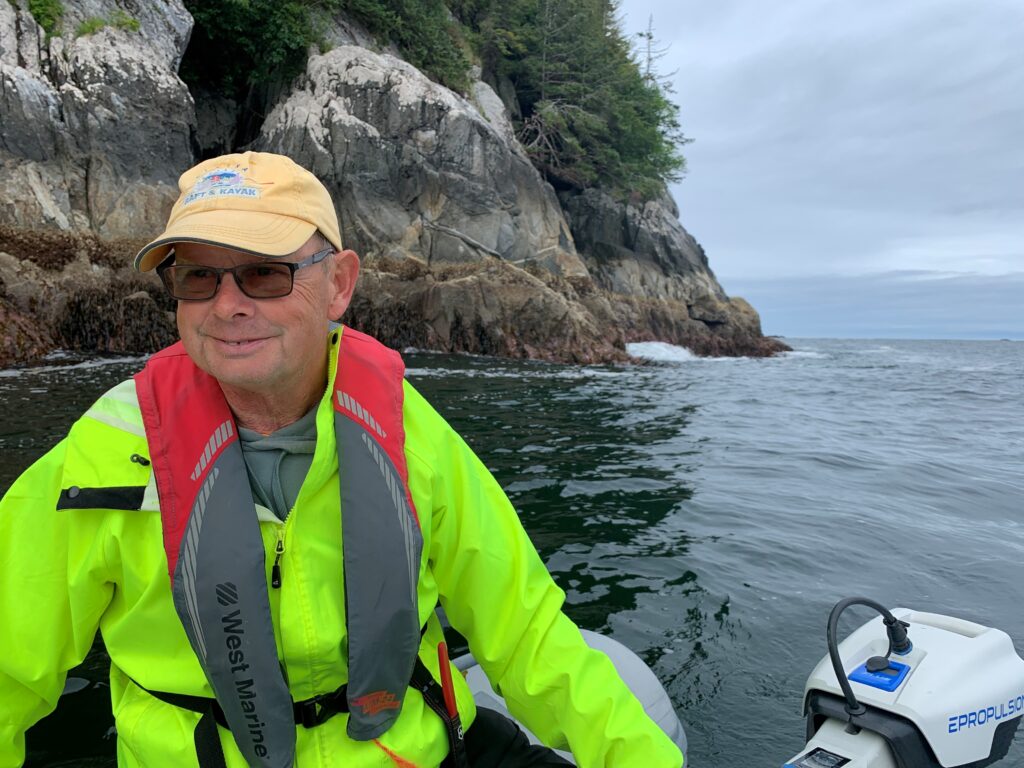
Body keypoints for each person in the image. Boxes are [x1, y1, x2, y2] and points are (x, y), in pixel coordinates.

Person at [0, 152, 684, 768]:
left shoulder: (410, 436)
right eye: (198, 277)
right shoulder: (101, 459)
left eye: (264, 273)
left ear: (339, 285)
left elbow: (528, 633)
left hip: (412, 753)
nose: (228, 305)